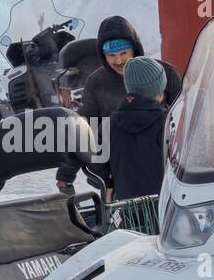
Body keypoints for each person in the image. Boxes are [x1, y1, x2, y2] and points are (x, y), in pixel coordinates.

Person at [56, 15, 181, 193]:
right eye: (111, 55)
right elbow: (83, 128)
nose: (119, 61)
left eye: (123, 53)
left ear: (135, 49)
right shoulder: (97, 83)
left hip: (166, 177)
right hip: (120, 178)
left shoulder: (161, 73)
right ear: (103, 56)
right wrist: (66, 174)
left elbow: (185, 122)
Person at [107, 57, 169, 200]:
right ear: (159, 88)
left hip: (127, 206)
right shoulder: (167, 121)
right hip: (164, 204)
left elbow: (97, 166)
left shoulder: (110, 124)